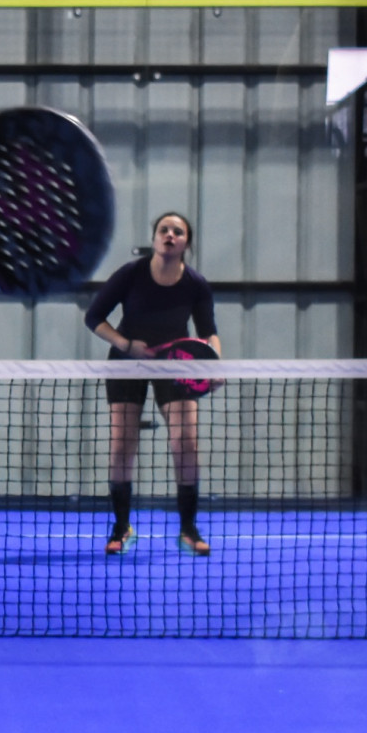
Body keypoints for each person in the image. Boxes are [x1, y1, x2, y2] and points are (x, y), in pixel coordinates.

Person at [83, 211, 221, 555]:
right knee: (121, 445)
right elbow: (94, 317)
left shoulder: (196, 284)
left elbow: (208, 332)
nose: (170, 235)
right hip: (127, 362)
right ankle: (121, 527)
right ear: (156, 238)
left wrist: (215, 364)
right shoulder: (131, 274)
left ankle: (188, 529)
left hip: (176, 365)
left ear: (186, 243)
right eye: (164, 230)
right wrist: (127, 345)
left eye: (178, 231)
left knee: (186, 443)